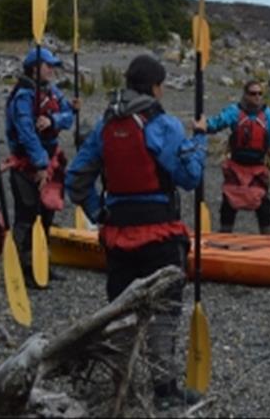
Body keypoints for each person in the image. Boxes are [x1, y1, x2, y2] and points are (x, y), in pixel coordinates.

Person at [65, 55, 207, 411]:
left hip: (116, 237)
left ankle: (120, 385)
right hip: (159, 233)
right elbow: (189, 178)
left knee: (120, 313)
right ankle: (165, 391)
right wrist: (200, 141)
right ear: (156, 87)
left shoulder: (105, 125)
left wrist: (101, 213)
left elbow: (76, 179)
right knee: (165, 312)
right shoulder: (163, 124)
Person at [4, 47, 73, 285]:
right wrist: (41, 164)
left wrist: (54, 119)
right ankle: (24, 269)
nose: (52, 69)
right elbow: (26, 134)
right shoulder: (22, 97)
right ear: (34, 69)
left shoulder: (51, 91)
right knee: (27, 215)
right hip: (27, 166)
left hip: (50, 162)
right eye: (48, 65)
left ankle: (42, 264)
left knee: (46, 213)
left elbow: (69, 116)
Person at [205, 80, 270, 234]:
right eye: (253, 93)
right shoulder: (235, 112)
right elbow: (218, 122)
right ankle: (224, 236)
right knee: (228, 203)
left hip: (258, 168)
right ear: (245, 95)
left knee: (264, 205)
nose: (257, 97)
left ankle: (266, 237)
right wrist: (204, 125)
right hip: (236, 167)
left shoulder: (267, 115)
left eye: (260, 93)